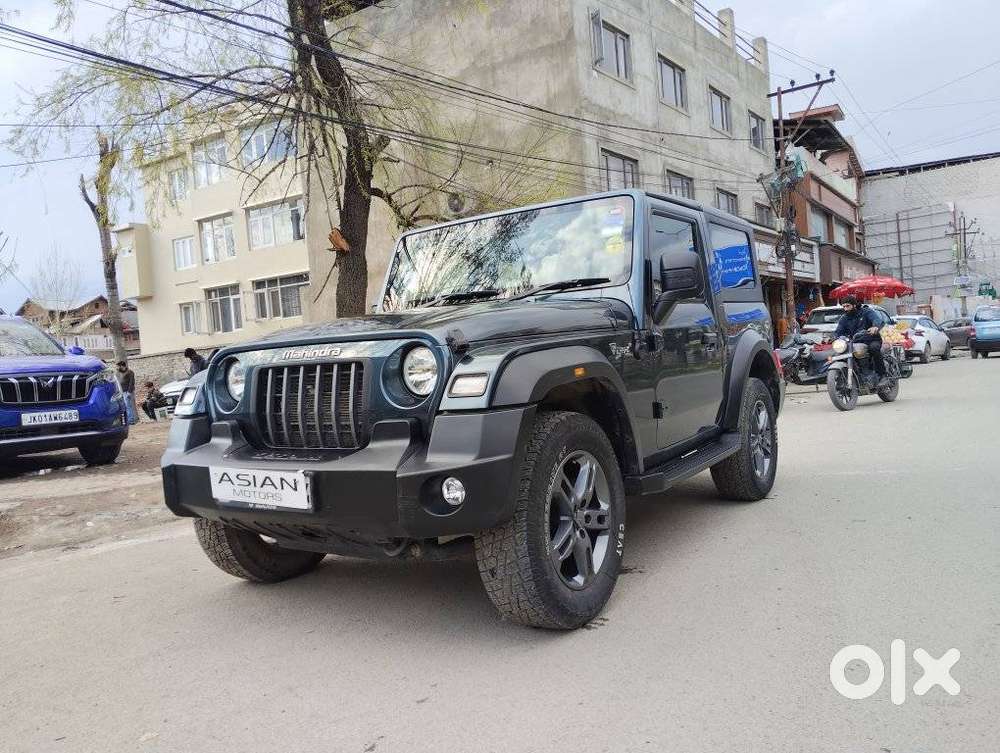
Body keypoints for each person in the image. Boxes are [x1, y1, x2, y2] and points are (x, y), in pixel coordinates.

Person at [835, 295, 888, 384]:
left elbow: (876, 319)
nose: (846, 309)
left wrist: (875, 327)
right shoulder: (844, 318)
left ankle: (882, 375)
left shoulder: (866, 312)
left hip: (871, 339)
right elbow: (839, 331)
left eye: (848, 306)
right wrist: (833, 338)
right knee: (841, 353)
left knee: (874, 349)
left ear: (854, 305)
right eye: (844, 306)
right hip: (854, 342)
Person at [117, 360, 139, 425]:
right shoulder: (119, 373)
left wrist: (129, 392)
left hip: (128, 392)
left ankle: (131, 420)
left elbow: (131, 383)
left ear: (122, 366)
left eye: (118, 366)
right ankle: (128, 420)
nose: (117, 368)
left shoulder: (130, 372)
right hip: (122, 392)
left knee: (128, 406)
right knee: (124, 406)